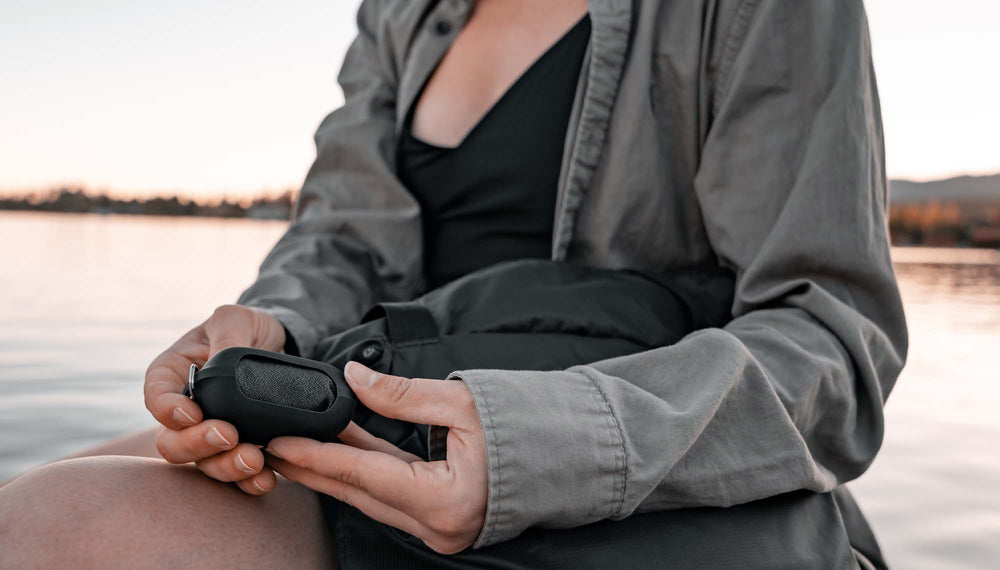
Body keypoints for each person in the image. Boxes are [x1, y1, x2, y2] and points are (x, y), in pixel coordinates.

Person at [0, 0, 907, 567]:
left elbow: (834, 345)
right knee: (22, 510)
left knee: (57, 523)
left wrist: (538, 448)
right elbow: (342, 235)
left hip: (628, 484)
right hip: (378, 427)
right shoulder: (398, 13)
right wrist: (268, 325)